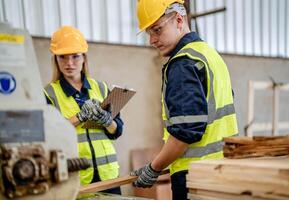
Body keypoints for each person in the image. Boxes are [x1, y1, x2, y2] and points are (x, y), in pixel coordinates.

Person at [131, 1, 238, 199]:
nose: (152, 40)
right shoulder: (210, 55)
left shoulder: (183, 63)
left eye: (157, 30)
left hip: (195, 179)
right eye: (149, 33)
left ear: (179, 20)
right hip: (223, 172)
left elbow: (185, 133)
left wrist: (153, 168)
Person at [44, 26, 122, 194]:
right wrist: (80, 116)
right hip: (75, 178)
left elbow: (117, 131)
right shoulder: (48, 94)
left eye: (75, 56)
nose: (69, 63)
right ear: (55, 59)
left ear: (84, 57)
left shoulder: (101, 88)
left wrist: (107, 121)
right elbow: (50, 136)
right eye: (62, 57)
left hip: (109, 176)